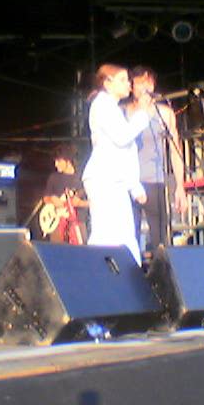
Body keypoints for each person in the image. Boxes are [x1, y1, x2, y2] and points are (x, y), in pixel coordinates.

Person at [82, 64, 152, 265]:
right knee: (107, 235)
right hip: (104, 178)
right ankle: (99, 273)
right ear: (107, 83)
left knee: (122, 236)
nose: (128, 84)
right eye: (122, 80)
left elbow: (125, 151)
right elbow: (122, 137)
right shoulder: (102, 105)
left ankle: (124, 275)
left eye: (128, 80)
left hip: (114, 179)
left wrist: (134, 186)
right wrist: (143, 114)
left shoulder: (112, 107)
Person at [125, 65, 187, 257]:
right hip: (128, 182)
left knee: (160, 240)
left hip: (155, 181)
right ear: (131, 87)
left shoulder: (164, 113)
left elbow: (175, 150)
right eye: (140, 83)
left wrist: (180, 186)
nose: (145, 87)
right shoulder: (123, 112)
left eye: (149, 83)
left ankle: (161, 272)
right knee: (129, 237)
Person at [41, 143, 88, 244]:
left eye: (58, 161)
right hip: (57, 223)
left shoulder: (82, 178)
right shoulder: (53, 178)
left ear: (68, 160)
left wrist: (80, 203)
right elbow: (45, 198)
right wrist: (53, 200)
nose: (56, 164)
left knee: (80, 251)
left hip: (78, 223)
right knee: (56, 251)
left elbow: (95, 202)